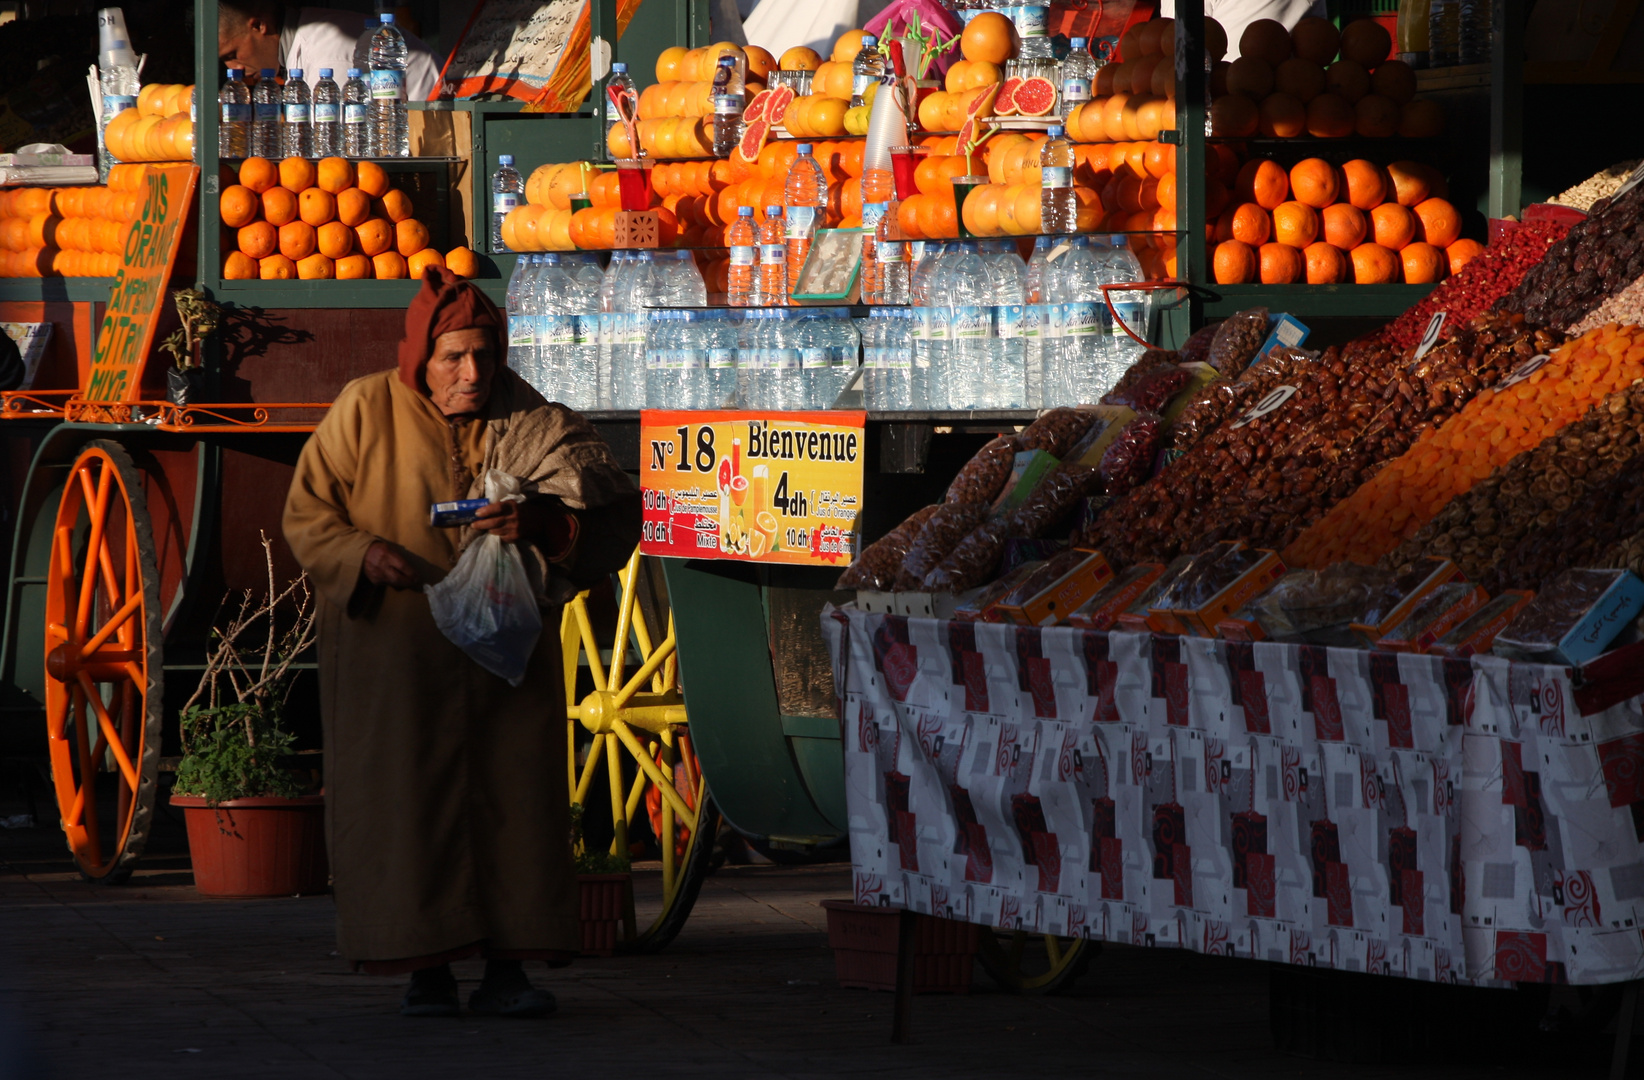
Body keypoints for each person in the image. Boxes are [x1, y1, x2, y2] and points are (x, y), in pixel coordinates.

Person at [283, 267, 640, 1017]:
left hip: (504, 663)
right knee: (407, 807)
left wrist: (540, 525)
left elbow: (598, 515)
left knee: (514, 804)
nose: (471, 373)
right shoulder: (363, 410)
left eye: (485, 355)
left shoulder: (531, 415)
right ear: (422, 359)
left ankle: (509, 968)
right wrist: (362, 555)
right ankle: (427, 968)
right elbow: (309, 516)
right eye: (453, 358)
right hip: (399, 658)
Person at [218, 0, 444, 101]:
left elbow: (336, 156)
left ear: (259, 25)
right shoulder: (308, 33)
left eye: (232, 55)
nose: (234, 69)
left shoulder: (326, 55)